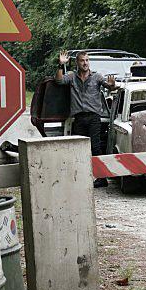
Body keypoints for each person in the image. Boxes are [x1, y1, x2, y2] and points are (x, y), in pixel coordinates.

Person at [55, 50, 115, 188]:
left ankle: (101, 178)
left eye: (87, 60)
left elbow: (109, 87)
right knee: (78, 148)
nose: (85, 63)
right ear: (77, 62)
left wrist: (112, 85)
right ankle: (80, 178)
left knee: (95, 147)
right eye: (82, 60)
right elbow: (58, 80)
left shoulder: (97, 77)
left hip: (94, 117)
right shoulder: (71, 76)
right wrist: (61, 64)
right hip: (78, 118)